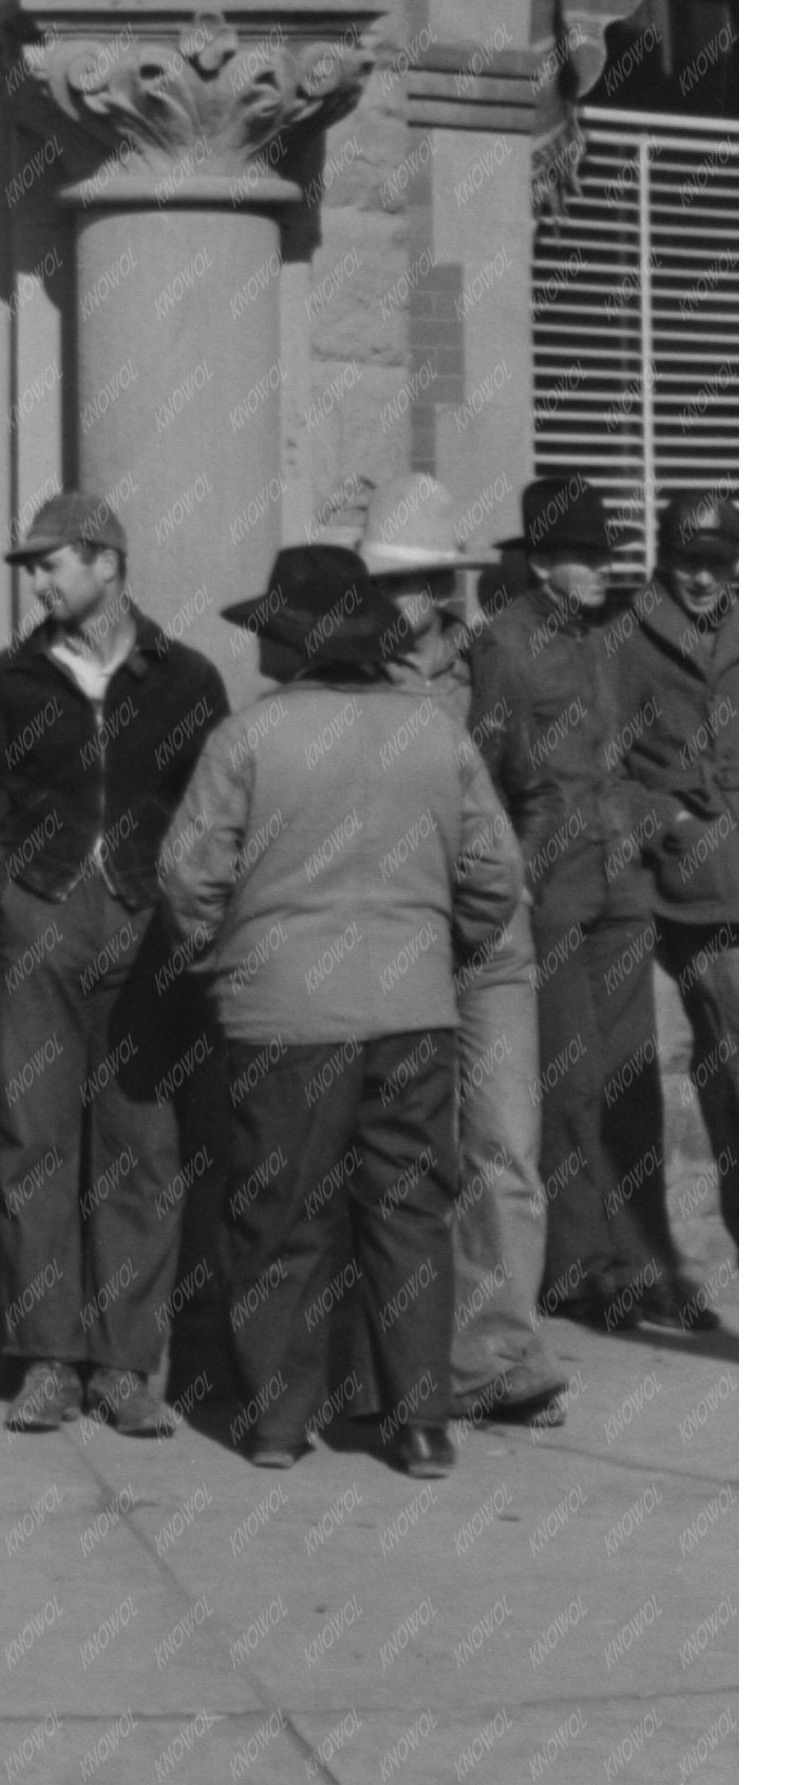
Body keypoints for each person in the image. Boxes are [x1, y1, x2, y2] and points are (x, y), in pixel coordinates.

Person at [159, 545, 524, 1476]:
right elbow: (493, 873)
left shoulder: (244, 740)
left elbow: (185, 875)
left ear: (290, 645)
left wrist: (217, 953)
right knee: (408, 1215)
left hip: (280, 1017)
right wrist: (454, 945)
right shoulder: (436, 733)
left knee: (278, 1217)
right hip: (412, 1010)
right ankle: (420, 1423)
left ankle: (278, 1422)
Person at [0, 492, 229, 1437]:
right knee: (32, 1137)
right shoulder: (9, 680)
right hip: (43, 918)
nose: (37, 580)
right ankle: (49, 1360)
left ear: (105, 561)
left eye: (50, 563)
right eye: (32, 567)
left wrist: (187, 903)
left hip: (148, 924)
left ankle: (126, 1366)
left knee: (144, 1143)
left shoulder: (184, 678)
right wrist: (5, 886)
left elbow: (218, 800)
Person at [357, 474, 568, 1430]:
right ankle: (393, 1355)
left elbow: (538, 782)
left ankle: (496, 1355)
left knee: (504, 1146)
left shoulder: (490, 668)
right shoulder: (344, 679)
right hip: (392, 938)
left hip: (492, 942)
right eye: (388, 581)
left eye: (420, 580)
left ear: (444, 582)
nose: (404, 598)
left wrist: (512, 876)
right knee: (401, 1147)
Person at [468, 476, 679, 1326]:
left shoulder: (613, 638)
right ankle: (576, 1265)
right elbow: (480, 770)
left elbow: (634, 752)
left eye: (602, 555)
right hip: (549, 881)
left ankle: (644, 1259)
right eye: (583, 556)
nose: (599, 569)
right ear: (543, 561)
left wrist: (650, 819)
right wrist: (503, 867)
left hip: (622, 877)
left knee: (632, 1078)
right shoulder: (503, 645)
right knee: (568, 1078)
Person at [616, 491, 738, 1268]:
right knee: (698, 1073)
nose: (701, 579)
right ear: (663, 557)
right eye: (689, 562)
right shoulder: (625, 635)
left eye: (715, 562)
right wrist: (666, 820)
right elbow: (600, 760)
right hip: (675, 887)